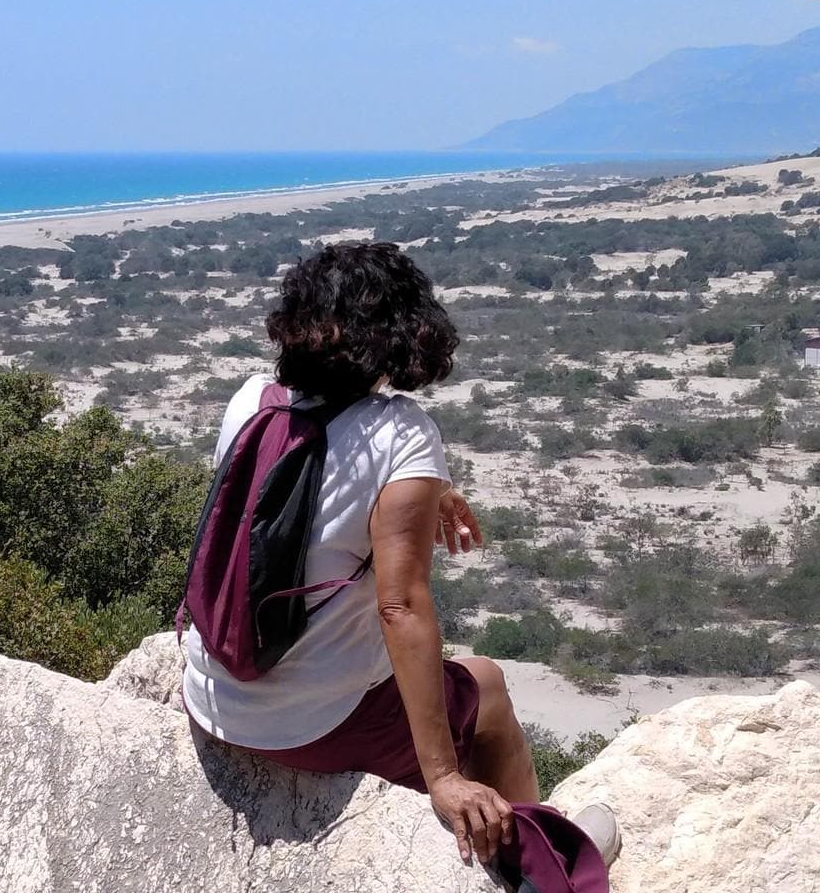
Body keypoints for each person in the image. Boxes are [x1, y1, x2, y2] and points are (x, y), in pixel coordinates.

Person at [182, 241, 619, 879]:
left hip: (213, 692)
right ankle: (543, 859)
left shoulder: (251, 401)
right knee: (487, 687)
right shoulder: (401, 433)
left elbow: (291, 508)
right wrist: (442, 776)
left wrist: (423, 492)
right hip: (304, 724)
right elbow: (401, 604)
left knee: (445, 682)